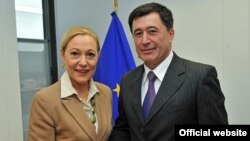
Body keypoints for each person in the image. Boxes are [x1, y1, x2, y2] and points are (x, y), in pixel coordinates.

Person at [109, 2, 228, 141]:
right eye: (138, 33)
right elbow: (124, 129)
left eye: (152, 31)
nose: (144, 40)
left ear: (170, 34)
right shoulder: (128, 80)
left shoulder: (200, 76)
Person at [28, 26, 112, 141]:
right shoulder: (44, 100)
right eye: (75, 54)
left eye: (90, 54)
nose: (83, 62)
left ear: (98, 57)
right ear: (63, 55)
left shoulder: (105, 92)